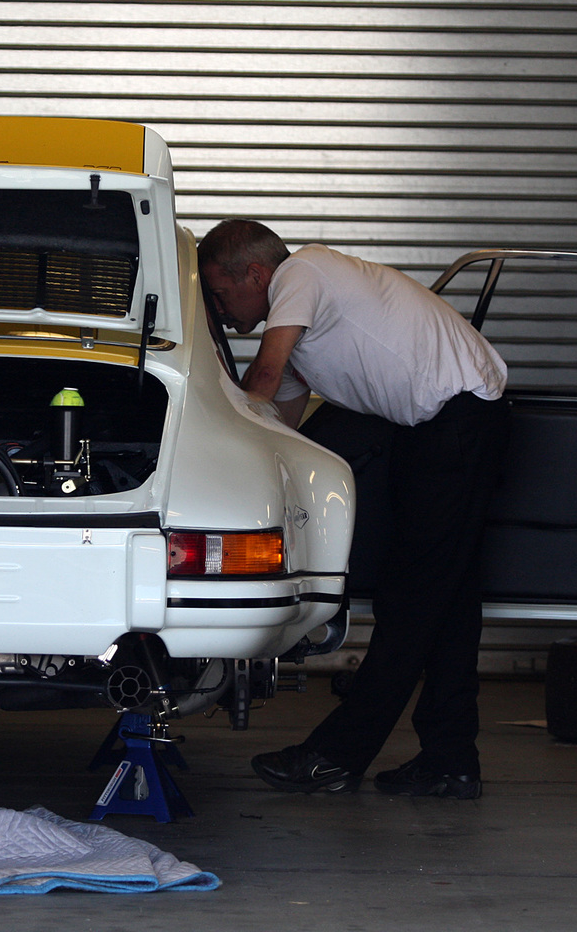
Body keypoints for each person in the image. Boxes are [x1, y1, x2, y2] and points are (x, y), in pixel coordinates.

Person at [197, 219, 509, 799]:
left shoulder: (302, 271)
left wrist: (204, 435)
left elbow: (260, 380)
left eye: (218, 292)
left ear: (257, 274)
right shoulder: (302, 335)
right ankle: (450, 760)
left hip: (461, 421)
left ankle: (335, 756)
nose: (220, 308)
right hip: (433, 428)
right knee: (451, 602)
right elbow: (273, 425)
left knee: (412, 599)